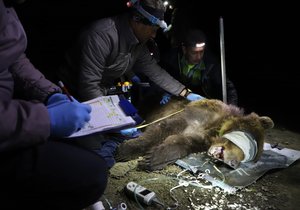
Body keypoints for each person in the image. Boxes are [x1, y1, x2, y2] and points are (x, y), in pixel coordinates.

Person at [0, 0, 108, 209]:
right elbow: (89, 81)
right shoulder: (103, 35)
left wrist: (49, 94)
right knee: (91, 175)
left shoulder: (7, 6)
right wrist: (44, 119)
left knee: (80, 150)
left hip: (9, 112)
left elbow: (13, 58)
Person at [57, 0, 203, 103]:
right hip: (73, 95)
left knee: (133, 125)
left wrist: (185, 93)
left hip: (103, 91)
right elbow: (88, 86)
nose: (153, 35)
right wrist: (111, 120)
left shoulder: (138, 43)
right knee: (96, 145)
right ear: (137, 21)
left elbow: (156, 72)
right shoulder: (101, 36)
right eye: (152, 30)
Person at [159, 28, 238, 105]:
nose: (199, 57)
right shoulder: (170, 59)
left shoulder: (211, 63)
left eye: (201, 52)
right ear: (184, 49)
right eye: (194, 53)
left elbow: (228, 88)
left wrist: (231, 107)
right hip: (176, 100)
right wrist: (163, 92)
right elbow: (156, 80)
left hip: (202, 102)